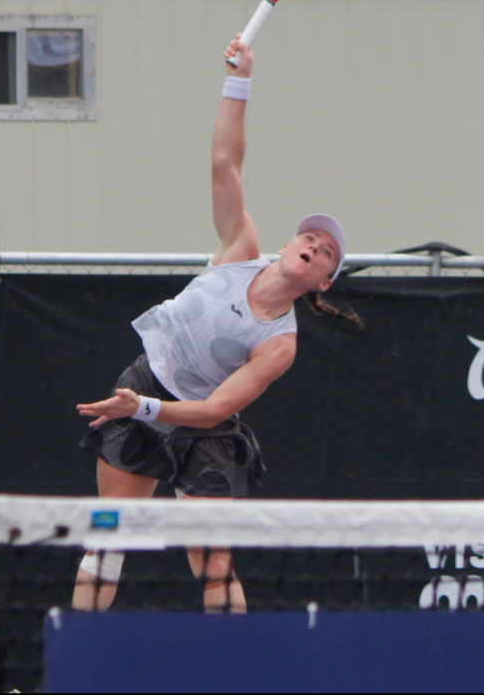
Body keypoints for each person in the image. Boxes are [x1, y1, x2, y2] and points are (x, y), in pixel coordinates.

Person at [73, 34, 361, 613]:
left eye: (327, 251)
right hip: (148, 384)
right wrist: (240, 79)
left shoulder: (279, 346)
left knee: (214, 566)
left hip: (199, 426)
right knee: (107, 543)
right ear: (286, 245)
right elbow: (225, 161)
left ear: (324, 281)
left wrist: (141, 410)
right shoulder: (239, 247)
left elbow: (209, 412)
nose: (314, 246)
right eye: (309, 237)